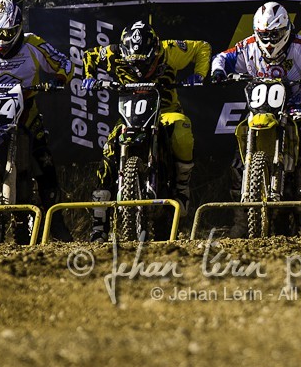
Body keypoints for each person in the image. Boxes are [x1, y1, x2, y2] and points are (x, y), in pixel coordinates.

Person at [78, 20, 210, 237]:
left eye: (144, 62)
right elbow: (89, 56)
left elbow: (202, 47)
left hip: (165, 110)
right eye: (133, 63)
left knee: (183, 132)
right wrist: (89, 77)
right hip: (129, 116)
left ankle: (182, 185)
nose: (138, 68)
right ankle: (99, 226)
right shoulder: (114, 53)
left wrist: (200, 74)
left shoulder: (170, 50)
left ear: (155, 50)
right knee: (109, 150)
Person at [209, 1, 301, 205]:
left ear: (286, 30)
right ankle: (240, 217)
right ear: (257, 32)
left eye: (275, 34)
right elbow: (222, 58)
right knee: (239, 155)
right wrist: (218, 72)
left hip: (293, 106)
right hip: (259, 108)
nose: (270, 41)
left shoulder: (300, 46)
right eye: (265, 35)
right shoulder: (248, 46)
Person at [0, 0, 72, 208]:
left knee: (43, 158)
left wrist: (58, 79)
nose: (1, 39)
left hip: (26, 109)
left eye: (7, 33)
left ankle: (55, 220)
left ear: (18, 28)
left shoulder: (32, 43)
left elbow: (64, 62)